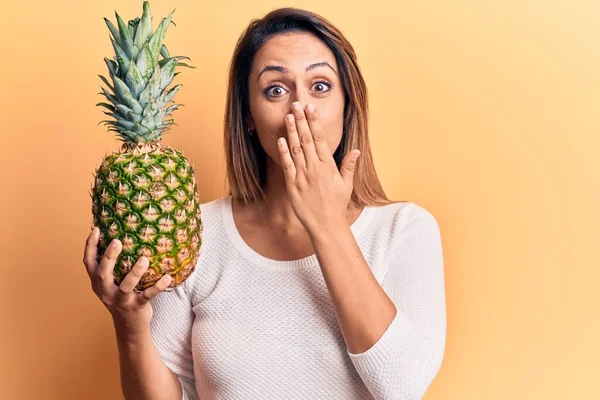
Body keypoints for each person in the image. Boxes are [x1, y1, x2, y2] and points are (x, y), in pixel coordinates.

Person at [83, 7, 447, 400]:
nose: (300, 108)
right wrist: (130, 322)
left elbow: (403, 387)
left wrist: (326, 224)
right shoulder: (196, 233)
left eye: (321, 86)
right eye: (275, 89)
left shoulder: (404, 230)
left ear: (348, 104)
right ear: (249, 116)